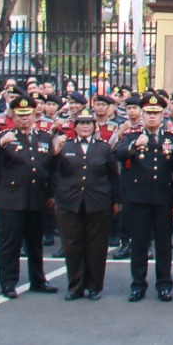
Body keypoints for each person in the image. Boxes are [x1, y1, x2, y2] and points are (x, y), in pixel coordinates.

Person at [115, 92, 173, 302]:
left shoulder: (172, 139)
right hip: (139, 198)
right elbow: (119, 155)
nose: (152, 117)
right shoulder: (131, 137)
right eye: (148, 113)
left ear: (162, 116)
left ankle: (164, 284)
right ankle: (138, 285)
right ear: (142, 116)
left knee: (163, 244)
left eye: (156, 113)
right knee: (139, 244)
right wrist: (134, 145)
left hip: (163, 198)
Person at [0, 96, 57, 298]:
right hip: (12, 199)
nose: (24, 119)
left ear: (34, 116)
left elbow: (51, 168)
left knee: (35, 243)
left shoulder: (44, 138)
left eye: (27, 115)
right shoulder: (6, 137)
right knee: (9, 244)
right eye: (20, 115)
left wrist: (51, 194)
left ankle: (38, 280)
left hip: (37, 197)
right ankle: (8, 283)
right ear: (13, 117)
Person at [52, 111, 121, 300]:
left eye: (88, 123)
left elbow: (113, 175)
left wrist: (117, 201)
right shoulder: (65, 146)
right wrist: (55, 152)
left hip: (98, 201)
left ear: (94, 126)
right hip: (70, 201)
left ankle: (94, 286)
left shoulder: (103, 148)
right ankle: (75, 287)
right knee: (72, 245)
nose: (84, 127)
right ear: (75, 127)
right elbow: (53, 171)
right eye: (81, 123)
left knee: (96, 246)